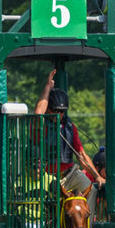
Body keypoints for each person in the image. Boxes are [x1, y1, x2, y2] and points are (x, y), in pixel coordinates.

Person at [34, 69, 104, 213]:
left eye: (62, 111)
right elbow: (37, 114)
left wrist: (98, 177)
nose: (59, 114)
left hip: (70, 173)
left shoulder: (70, 127)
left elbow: (82, 155)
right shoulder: (40, 126)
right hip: (48, 178)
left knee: (89, 187)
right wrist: (48, 87)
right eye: (55, 110)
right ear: (48, 109)